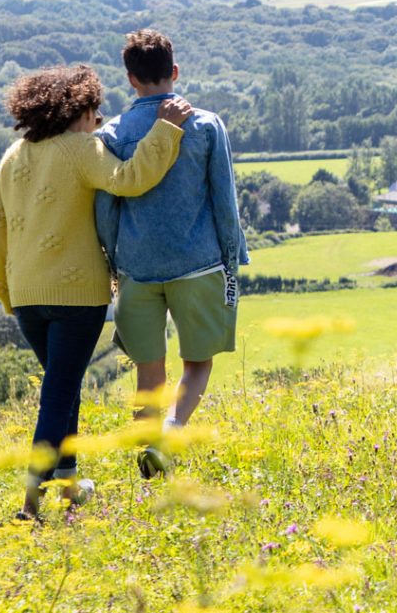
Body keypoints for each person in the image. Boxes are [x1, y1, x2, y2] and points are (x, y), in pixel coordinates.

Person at [0, 63, 192, 519]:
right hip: (77, 296)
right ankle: (30, 504)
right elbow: (132, 178)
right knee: (59, 394)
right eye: (95, 113)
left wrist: (7, 296)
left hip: (26, 298)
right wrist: (166, 131)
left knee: (65, 387)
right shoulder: (81, 149)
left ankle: (69, 487)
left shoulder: (13, 156)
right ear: (78, 110)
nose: (99, 122)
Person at [95, 30, 248, 479]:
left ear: (130, 79)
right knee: (197, 362)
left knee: (148, 373)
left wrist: (113, 263)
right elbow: (225, 199)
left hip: (137, 268)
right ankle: (173, 428)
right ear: (174, 71)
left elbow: (106, 206)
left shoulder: (112, 133)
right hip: (198, 264)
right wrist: (231, 258)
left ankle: (145, 466)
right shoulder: (206, 124)